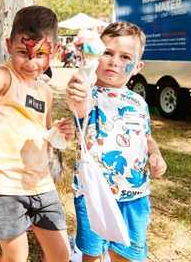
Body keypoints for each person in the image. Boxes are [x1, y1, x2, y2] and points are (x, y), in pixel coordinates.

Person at [0, 5, 75, 262]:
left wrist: (61, 132)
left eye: (40, 54)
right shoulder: (2, 76)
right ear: (9, 45)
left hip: (41, 184)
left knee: (61, 254)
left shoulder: (45, 91)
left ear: (54, 52)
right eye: (24, 52)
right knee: (16, 256)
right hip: (2, 185)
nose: (32, 62)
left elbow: (46, 133)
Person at [66, 21, 167, 262]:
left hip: (134, 195)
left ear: (137, 67)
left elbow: (147, 138)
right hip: (94, 196)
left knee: (128, 256)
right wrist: (78, 88)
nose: (114, 62)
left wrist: (156, 155)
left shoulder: (139, 102)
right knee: (93, 254)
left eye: (125, 57)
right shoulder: (90, 93)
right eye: (107, 53)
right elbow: (79, 107)